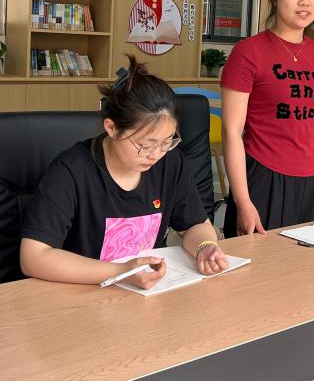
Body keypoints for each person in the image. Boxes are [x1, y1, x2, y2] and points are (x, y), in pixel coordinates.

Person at [20, 56, 228, 290]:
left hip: (144, 292)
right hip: (79, 292)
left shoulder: (170, 163)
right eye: (145, 145)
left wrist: (205, 247)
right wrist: (121, 272)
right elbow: (34, 257)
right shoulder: (72, 171)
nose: (155, 155)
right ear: (111, 128)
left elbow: (194, 225)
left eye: (166, 142)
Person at [221, 0, 314, 236]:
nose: (305, 1)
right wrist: (243, 201)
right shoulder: (248, 51)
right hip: (263, 178)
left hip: (313, 179)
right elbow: (232, 132)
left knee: (308, 258)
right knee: (259, 261)